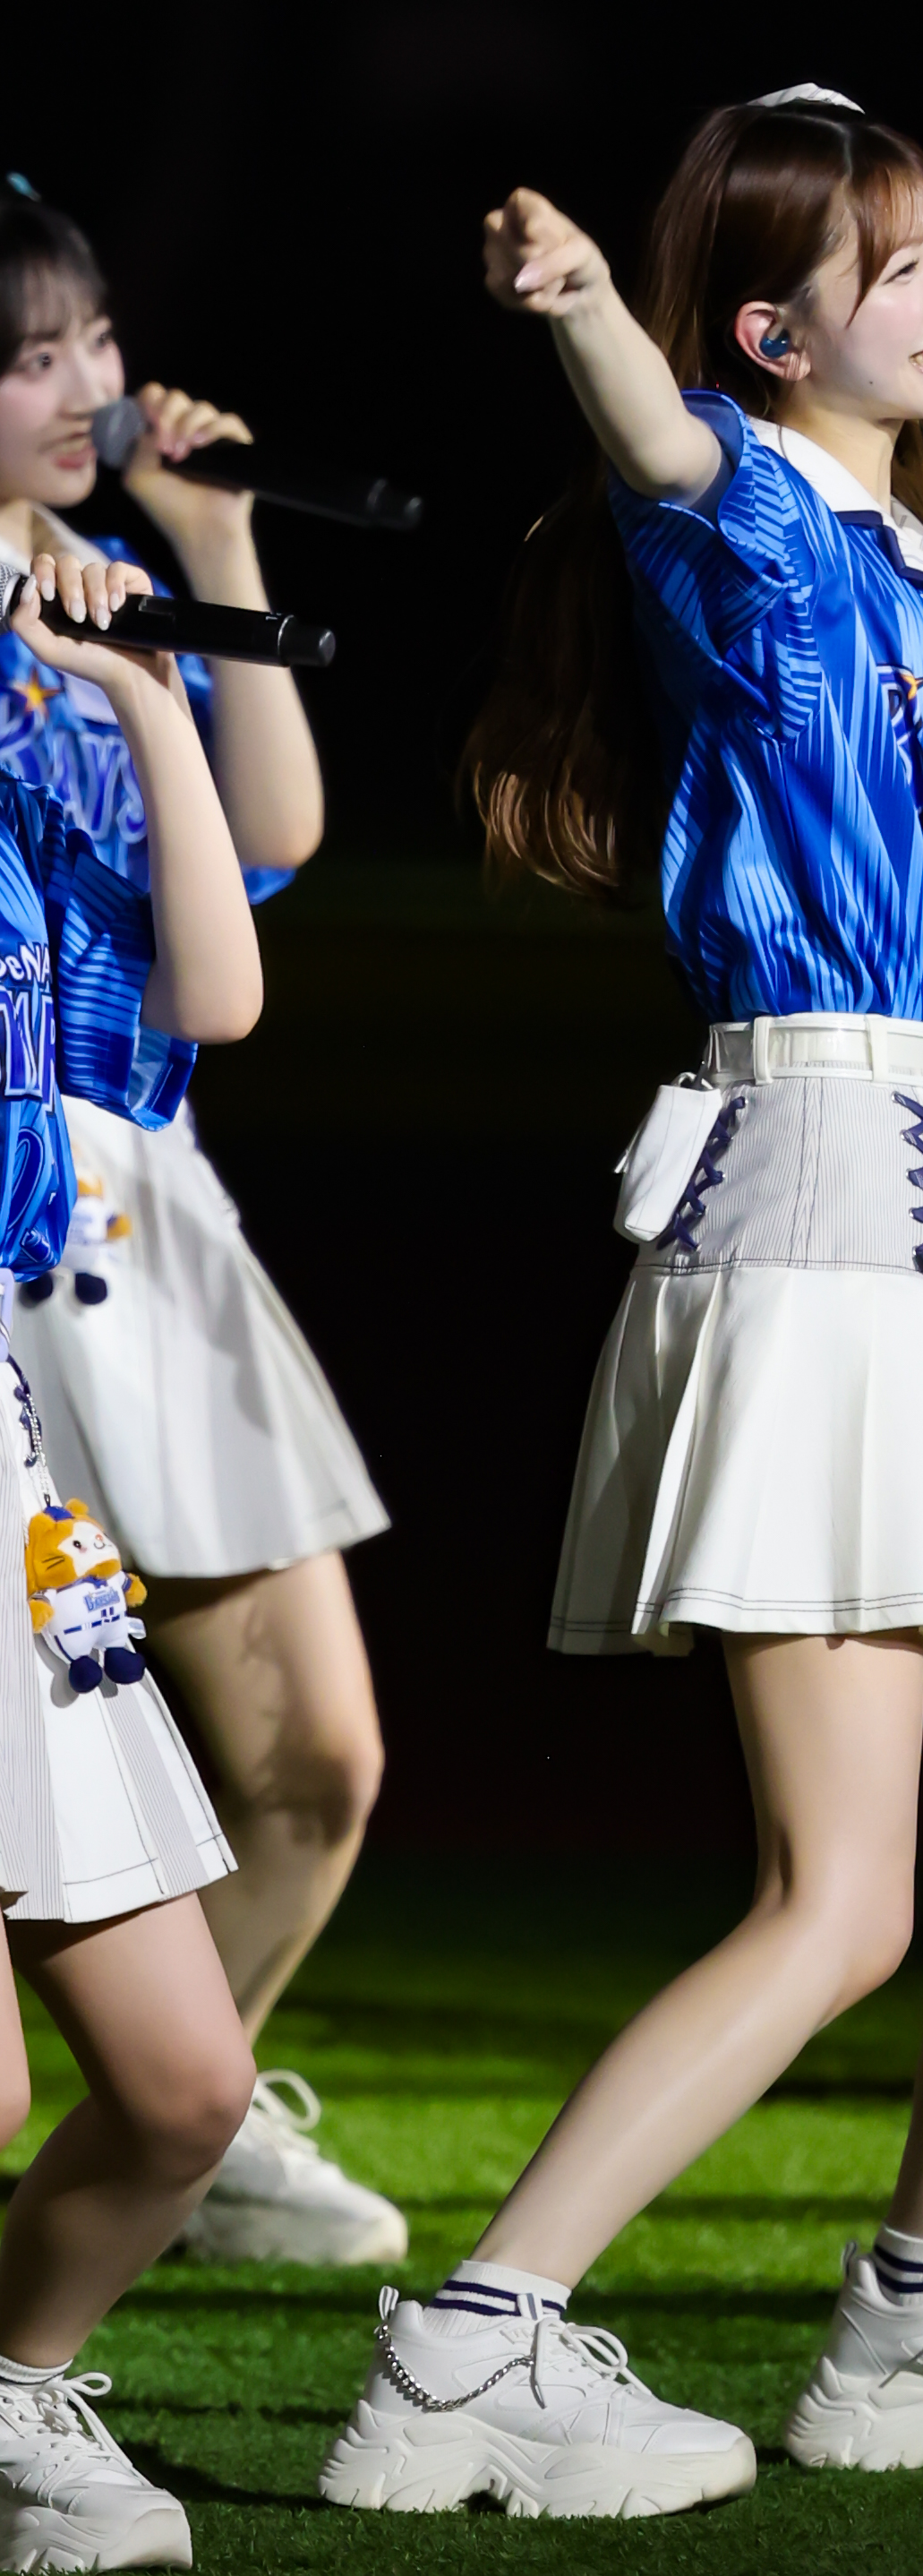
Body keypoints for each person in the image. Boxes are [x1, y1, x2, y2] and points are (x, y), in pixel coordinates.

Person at [320, 87, 923, 2525]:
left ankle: (919, 2301)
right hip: (807, 1221)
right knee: (839, 1899)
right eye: (901, 266)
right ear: (769, 327)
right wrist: (590, 306)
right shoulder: (762, 527)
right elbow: (662, 466)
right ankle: (477, 2340)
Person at [0, 181, 404, 2267]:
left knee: (319, 1761)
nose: (86, 387)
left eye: (90, 340)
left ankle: (191, 2099)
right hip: (18, 1191)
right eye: (28, 355)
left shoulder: (121, 580)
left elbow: (269, 857)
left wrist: (215, 557)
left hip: (154, 1184)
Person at [0, 537, 262, 2571]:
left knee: (185, 2089)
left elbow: (221, 992)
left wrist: (147, 695)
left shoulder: (28, 755)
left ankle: (12, 2394)